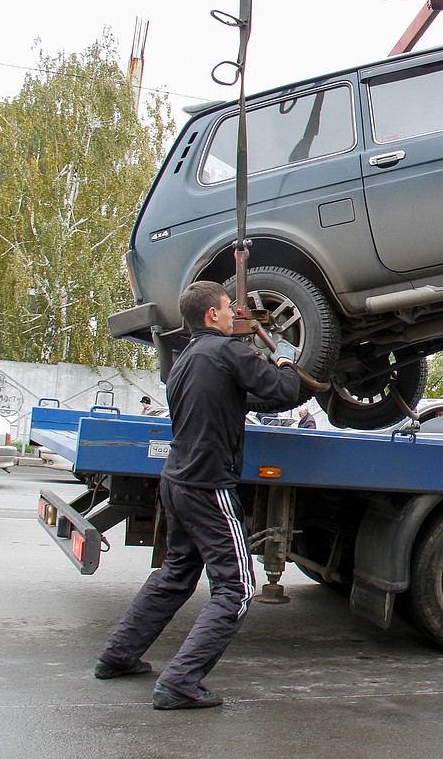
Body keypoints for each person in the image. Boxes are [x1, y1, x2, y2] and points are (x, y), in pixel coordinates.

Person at [94, 281, 301, 710]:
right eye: (228, 309)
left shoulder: (186, 359)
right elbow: (282, 391)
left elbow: (231, 401)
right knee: (237, 587)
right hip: (208, 486)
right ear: (212, 315)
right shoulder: (227, 352)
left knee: (175, 575)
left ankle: (117, 656)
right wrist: (285, 359)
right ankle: (179, 682)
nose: (233, 315)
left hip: (177, 480)